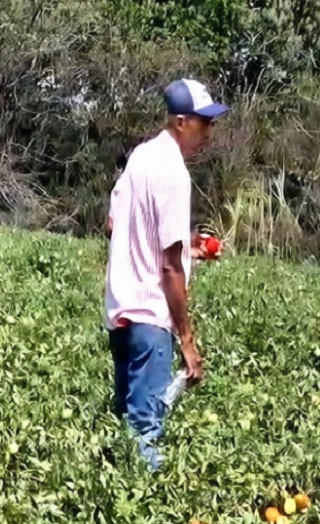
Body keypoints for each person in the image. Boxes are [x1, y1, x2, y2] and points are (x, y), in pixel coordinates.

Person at [104, 79, 228, 470]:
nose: (208, 132)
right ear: (181, 122)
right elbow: (170, 266)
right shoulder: (173, 172)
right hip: (152, 320)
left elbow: (114, 223)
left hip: (121, 313)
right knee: (146, 433)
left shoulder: (141, 157)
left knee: (125, 423)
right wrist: (187, 339)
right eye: (203, 122)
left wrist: (189, 247)